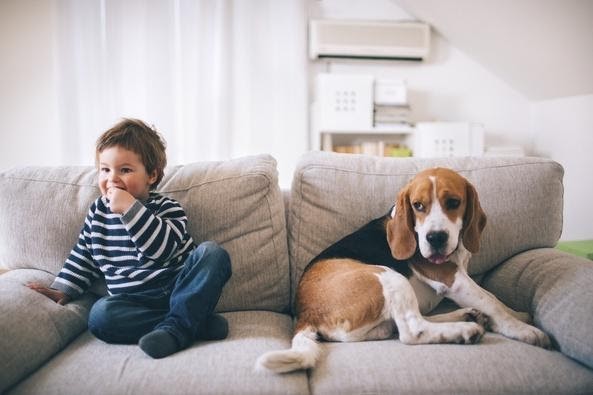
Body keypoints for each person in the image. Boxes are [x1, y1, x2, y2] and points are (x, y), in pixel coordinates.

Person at [27, 118, 231, 359]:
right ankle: (191, 323)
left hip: (179, 286)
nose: (112, 178)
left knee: (213, 253)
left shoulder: (168, 208)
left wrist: (130, 209)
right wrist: (64, 289)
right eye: (105, 169)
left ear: (152, 175)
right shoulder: (98, 213)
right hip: (134, 303)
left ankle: (177, 329)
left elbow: (160, 250)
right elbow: (84, 255)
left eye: (124, 170)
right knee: (100, 316)